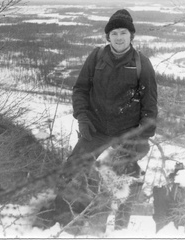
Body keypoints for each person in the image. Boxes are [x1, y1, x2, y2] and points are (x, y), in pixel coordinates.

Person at [66, 9, 158, 230]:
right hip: (94, 132)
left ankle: (119, 230)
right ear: (108, 36)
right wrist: (82, 118)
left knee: (120, 186)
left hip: (125, 135)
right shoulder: (97, 57)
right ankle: (66, 225)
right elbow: (80, 90)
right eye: (114, 33)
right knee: (70, 174)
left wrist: (140, 137)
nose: (118, 37)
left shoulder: (141, 63)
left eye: (123, 32)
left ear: (131, 35)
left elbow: (150, 106)